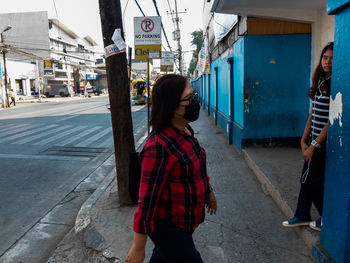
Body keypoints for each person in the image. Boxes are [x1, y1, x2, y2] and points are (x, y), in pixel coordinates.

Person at [126, 74, 217, 263]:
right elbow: (147, 203)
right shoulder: (159, 146)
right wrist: (138, 248)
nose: (195, 101)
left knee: (164, 257)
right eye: (190, 98)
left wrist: (208, 191)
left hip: (186, 221)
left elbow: (197, 166)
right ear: (172, 105)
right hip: (168, 226)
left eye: (194, 96)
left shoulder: (186, 129)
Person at [282, 42, 333, 231]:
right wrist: (303, 140)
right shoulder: (320, 81)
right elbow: (312, 114)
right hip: (312, 139)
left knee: (311, 181)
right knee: (305, 178)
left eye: (332, 58)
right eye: (325, 57)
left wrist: (314, 145)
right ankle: (302, 214)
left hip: (324, 142)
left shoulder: (336, 82)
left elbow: (331, 121)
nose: (328, 61)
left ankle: (329, 216)